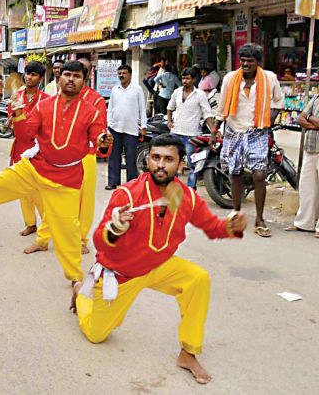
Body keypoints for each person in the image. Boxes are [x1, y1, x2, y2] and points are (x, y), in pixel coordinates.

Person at [72, 134, 248, 385]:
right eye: (155, 158)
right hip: (122, 274)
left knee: (198, 278)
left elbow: (213, 228)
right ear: (148, 160)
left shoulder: (185, 196)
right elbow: (100, 242)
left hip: (159, 265)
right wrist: (115, 228)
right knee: (96, 334)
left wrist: (232, 226)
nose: (160, 165)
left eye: (168, 159)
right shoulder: (127, 194)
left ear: (180, 165)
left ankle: (188, 352)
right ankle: (81, 294)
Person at [0, 61, 112, 284]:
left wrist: (103, 142)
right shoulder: (45, 106)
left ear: (85, 80)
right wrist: (19, 112)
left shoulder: (91, 111)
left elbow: (99, 141)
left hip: (66, 179)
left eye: (77, 76)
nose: (71, 80)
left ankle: (75, 280)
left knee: (69, 234)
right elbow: (25, 135)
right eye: (67, 75)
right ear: (59, 78)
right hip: (35, 167)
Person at [213, 44, 283, 238]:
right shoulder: (229, 78)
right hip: (233, 131)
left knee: (259, 174)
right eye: (242, 60)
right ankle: (236, 213)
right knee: (234, 172)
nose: (245, 64)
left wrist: (268, 121)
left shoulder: (269, 78)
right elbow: (222, 106)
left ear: (257, 63)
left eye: (250, 61)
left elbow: (278, 101)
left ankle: (260, 219)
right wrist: (215, 130)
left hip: (257, 132)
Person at [8, 61, 52, 253]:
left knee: (41, 192)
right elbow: (12, 119)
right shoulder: (17, 96)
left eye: (33, 75)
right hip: (20, 147)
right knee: (23, 190)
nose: (29, 77)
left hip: (39, 148)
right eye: (27, 74)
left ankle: (46, 229)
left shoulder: (47, 99)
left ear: (40, 78)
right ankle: (30, 223)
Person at [76, 57, 108, 255]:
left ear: (86, 76)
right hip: (61, 156)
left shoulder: (95, 99)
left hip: (86, 155)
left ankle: (80, 238)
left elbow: (100, 130)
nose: (73, 77)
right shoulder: (60, 98)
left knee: (85, 199)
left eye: (80, 72)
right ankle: (50, 234)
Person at [167, 67, 215, 189]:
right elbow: (170, 107)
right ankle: (173, 186)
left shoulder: (200, 95)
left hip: (191, 134)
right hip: (175, 132)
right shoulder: (177, 92)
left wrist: (214, 130)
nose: (185, 81)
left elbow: (207, 114)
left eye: (187, 78)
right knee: (172, 161)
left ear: (193, 79)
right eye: (183, 78)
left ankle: (191, 188)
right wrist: (169, 121)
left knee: (192, 163)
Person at [107, 64, 147, 190]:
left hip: (131, 129)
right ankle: (113, 182)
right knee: (113, 156)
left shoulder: (137, 89)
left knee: (131, 157)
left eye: (124, 73)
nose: (121, 75)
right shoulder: (115, 90)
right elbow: (110, 108)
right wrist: (108, 124)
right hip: (115, 127)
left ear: (130, 75)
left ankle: (131, 184)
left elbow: (142, 109)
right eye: (120, 73)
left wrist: (143, 126)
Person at [289, 93, 319, 236]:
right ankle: (304, 223)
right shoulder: (316, 97)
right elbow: (300, 118)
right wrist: (312, 121)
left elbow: (307, 118)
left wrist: (310, 117)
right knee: (306, 187)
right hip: (310, 147)